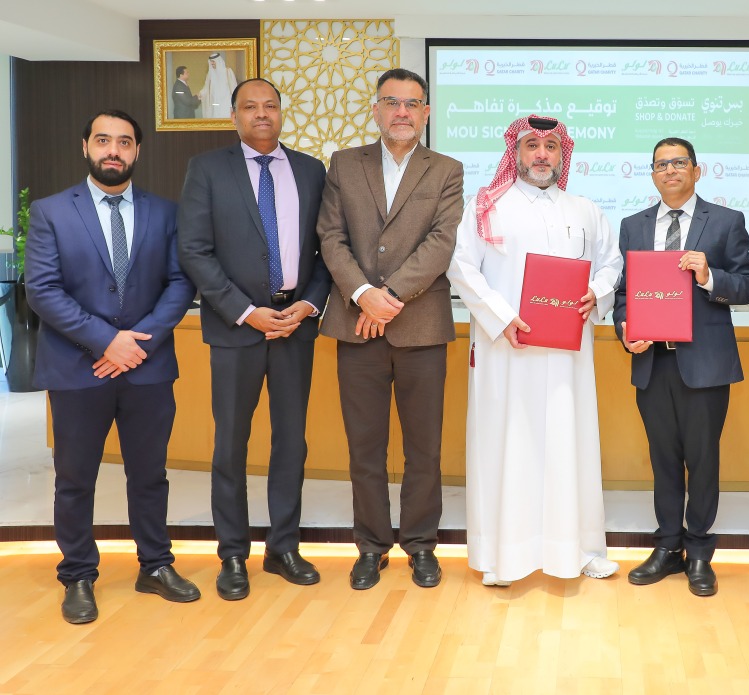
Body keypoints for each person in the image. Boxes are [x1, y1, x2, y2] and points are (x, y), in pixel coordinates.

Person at [24, 109, 199, 624]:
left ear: (137, 151)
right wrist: (106, 341)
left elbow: (179, 284)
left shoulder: (166, 213)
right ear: (85, 147)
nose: (113, 150)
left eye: (124, 142)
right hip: (78, 370)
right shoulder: (52, 212)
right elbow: (43, 290)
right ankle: (78, 574)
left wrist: (134, 343)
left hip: (146, 367)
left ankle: (155, 566)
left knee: (150, 475)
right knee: (75, 479)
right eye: (104, 140)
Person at [446, 114, 623, 586]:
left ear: (562, 155)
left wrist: (597, 293)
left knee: (571, 444)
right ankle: (504, 556)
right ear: (516, 154)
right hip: (507, 351)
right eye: (531, 145)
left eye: (550, 146)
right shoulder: (486, 207)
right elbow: (462, 269)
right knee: (510, 445)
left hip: (567, 356)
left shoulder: (585, 209)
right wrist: (502, 317)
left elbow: (610, 263)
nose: (541, 154)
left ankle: (579, 550)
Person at [178, 78, 331, 601]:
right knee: (230, 445)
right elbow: (194, 251)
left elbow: (326, 249)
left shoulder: (311, 170)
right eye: (250, 106)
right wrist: (246, 312)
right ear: (234, 114)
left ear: (282, 112)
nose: (261, 114)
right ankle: (233, 555)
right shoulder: (207, 170)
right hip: (236, 326)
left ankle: (284, 547)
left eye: (269, 105)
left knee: (292, 441)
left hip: (295, 325)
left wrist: (307, 305)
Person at [316, 68, 464, 590]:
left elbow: (442, 242)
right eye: (392, 102)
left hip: (421, 327)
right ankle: (371, 546)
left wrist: (391, 297)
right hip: (357, 327)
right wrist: (363, 295)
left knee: (424, 448)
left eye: (413, 103)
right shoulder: (343, 164)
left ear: (426, 113)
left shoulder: (446, 169)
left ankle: (421, 545)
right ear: (376, 110)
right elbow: (331, 237)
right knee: (365, 447)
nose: (402, 111)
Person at [612, 137, 749, 597]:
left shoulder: (726, 221)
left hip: (705, 364)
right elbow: (620, 296)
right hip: (653, 362)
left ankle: (700, 553)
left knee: (703, 460)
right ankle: (667, 547)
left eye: (678, 163)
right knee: (664, 460)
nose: (670, 170)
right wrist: (625, 328)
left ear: (697, 170)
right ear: (652, 174)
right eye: (660, 164)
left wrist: (709, 275)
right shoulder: (632, 226)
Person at [199, 53, 237, 119]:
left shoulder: (228, 71)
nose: (212, 63)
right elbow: (206, 88)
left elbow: (234, 88)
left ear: (218, 61)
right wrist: (200, 94)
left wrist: (232, 105)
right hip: (215, 104)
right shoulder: (210, 74)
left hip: (227, 104)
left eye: (213, 62)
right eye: (211, 62)